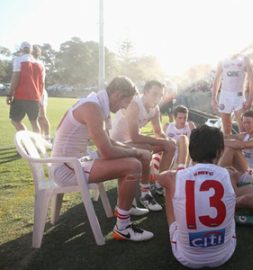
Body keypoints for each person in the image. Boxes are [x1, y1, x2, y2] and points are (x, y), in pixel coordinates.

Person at [50, 76, 154, 241]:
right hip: (66, 169)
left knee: (131, 162)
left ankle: (125, 207)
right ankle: (123, 228)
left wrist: (136, 150)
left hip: (75, 163)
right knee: (133, 166)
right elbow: (107, 152)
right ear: (117, 94)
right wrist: (138, 152)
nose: (123, 108)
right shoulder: (92, 107)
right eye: (125, 102)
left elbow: (111, 142)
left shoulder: (97, 103)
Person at [157, 125, 237, 268]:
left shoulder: (174, 177)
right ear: (219, 152)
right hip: (223, 254)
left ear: (191, 150)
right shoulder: (230, 175)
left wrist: (180, 170)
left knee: (170, 189)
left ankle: (175, 228)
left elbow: (161, 178)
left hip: (187, 257)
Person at [110, 80, 176, 211]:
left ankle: (159, 183)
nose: (157, 98)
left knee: (171, 146)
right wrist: (162, 141)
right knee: (146, 148)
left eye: (160, 95)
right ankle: (145, 193)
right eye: (154, 94)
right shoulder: (134, 104)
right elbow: (134, 136)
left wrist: (168, 140)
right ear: (145, 93)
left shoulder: (155, 109)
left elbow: (158, 132)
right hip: (117, 143)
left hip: (132, 143)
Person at [219, 110, 253, 186]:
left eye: (248, 123)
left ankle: (214, 174)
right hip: (241, 169)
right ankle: (213, 170)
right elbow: (228, 137)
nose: (246, 125)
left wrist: (220, 141)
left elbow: (242, 145)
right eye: (244, 123)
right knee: (226, 147)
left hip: (251, 173)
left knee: (232, 149)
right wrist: (215, 137)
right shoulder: (245, 135)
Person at [211, 54, 253, 135]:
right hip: (225, 96)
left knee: (243, 128)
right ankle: (229, 147)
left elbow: (251, 79)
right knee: (226, 129)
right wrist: (213, 98)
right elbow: (217, 79)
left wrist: (250, 99)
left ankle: (243, 147)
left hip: (239, 96)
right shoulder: (222, 59)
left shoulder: (244, 58)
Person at [6, 41, 44, 133]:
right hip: (35, 97)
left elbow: (15, 78)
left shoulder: (18, 60)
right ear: (31, 50)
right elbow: (41, 83)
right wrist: (40, 98)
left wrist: (9, 94)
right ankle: (36, 144)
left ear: (21, 49)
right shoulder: (40, 64)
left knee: (15, 121)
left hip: (20, 96)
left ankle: (26, 138)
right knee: (34, 122)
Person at [163, 105, 196, 170]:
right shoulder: (167, 126)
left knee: (182, 138)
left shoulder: (190, 125)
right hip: (171, 157)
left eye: (185, 118)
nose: (183, 121)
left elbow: (198, 143)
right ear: (174, 117)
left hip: (187, 158)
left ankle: (182, 168)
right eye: (180, 118)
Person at [32, 44, 51, 140]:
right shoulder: (33, 63)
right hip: (36, 92)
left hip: (40, 92)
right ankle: (41, 136)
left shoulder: (38, 63)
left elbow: (40, 81)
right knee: (38, 117)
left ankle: (47, 137)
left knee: (42, 116)